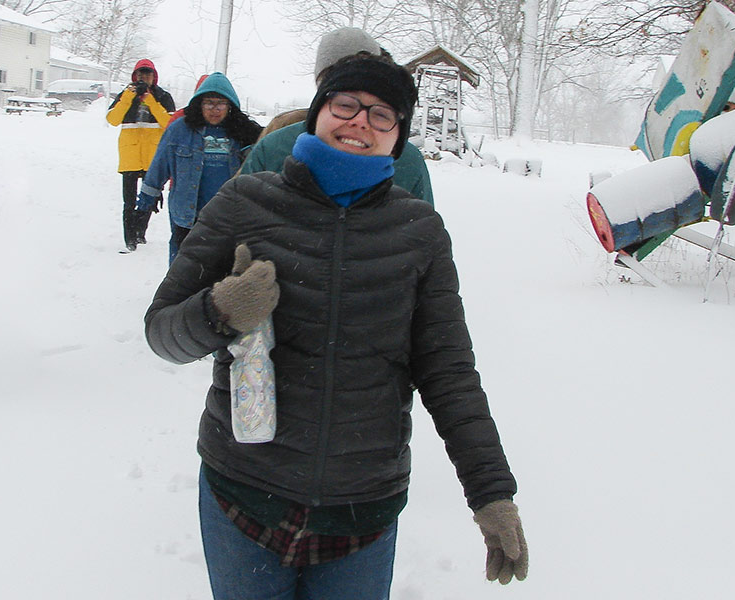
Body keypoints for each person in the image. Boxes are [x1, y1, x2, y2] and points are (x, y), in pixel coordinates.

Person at [144, 52, 527, 599]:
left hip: (362, 511)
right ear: (319, 111)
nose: (360, 123)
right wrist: (218, 310)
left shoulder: (419, 230)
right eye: (346, 105)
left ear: (399, 136)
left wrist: (491, 491)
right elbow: (161, 331)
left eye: (382, 115)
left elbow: (448, 370)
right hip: (245, 496)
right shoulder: (244, 202)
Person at [240, 27, 435, 206]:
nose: (358, 120)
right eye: (334, 79)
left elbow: (421, 232)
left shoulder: (408, 160)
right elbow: (233, 220)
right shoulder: (276, 143)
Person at [136, 72, 262, 264]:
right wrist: (145, 202)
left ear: (230, 106)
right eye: (209, 103)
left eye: (221, 103)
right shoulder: (180, 129)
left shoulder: (243, 133)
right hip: (187, 216)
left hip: (227, 217)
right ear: (199, 104)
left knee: (220, 270)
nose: (215, 109)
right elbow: (159, 165)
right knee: (183, 268)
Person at [106, 59, 176, 253]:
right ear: (134, 76)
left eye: (147, 74)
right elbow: (112, 119)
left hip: (153, 156)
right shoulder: (125, 95)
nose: (143, 78)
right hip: (130, 154)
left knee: (150, 197)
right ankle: (130, 239)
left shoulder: (162, 96)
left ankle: (140, 232)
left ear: (154, 77)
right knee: (128, 201)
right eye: (140, 74)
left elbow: (169, 122)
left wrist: (150, 100)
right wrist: (128, 96)